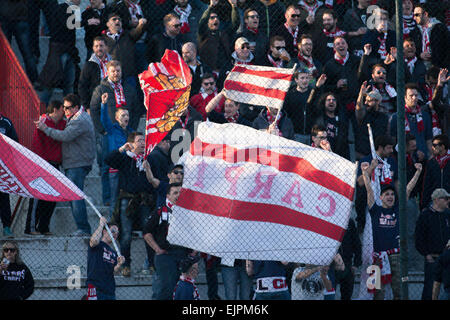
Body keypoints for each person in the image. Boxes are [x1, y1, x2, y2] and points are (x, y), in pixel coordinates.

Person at [361, 160, 422, 300]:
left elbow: (407, 190)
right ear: (381, 197)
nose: (390, 197)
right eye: (387, 194)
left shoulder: (397, 210)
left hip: (396, 256)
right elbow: (369, 191)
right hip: (377, 257)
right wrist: (365, 174)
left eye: (392, 195)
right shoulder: (375, 210)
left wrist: (418, 172)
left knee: (399, 291)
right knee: (377, 292)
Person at [35, 94, 95, 236]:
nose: (64, 111)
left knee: (75, 197)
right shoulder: (77, 117)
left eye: (67, 108)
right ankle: (83, 228)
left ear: (75, 107)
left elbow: (64, 136)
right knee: (74, 196)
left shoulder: (79, 120)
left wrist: (45, 128)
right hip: (76, 162)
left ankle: (83, 229)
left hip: (76, 163)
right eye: (63, 107)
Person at [104, 132, 154, 277]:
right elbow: (108, 159)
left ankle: (151, 263)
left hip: (144, 201)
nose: (143, 144)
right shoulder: (125, 159)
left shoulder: (147, 159)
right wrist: (122, 149)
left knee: (147, 232)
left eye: (144, 141)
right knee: (126, 234)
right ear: (131, 144)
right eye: (139, 141)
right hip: (127, 200)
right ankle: (126, 265)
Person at [143, 183, 191, 300]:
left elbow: (197, 233)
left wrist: (193, 253)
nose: (178, 195)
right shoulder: (160, 211)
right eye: (175, 193)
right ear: (168, 196)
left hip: (184, 256)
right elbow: (146, 232)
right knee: (167, 290)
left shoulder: (190, 213)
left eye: (181, 193)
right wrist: (157, 249)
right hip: (166, 256)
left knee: (183, 290)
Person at [25, 100, 66, 236]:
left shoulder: (62, 123)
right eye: (62, 109)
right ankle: (30, 228)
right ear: (55, 110)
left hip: (54, 164)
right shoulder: (42, 123)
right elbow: (37, 146)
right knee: (37, 197)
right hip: (42, 165)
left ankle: (43, 226)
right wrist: (41, 165)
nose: (64, 112)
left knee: (53, 197)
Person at [37, 0, 81, 105]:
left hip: (68, 51)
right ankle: (41, 109)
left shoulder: (70, 9)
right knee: (51, 82)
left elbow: (74, 26)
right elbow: (69, 25)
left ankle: (70, 108)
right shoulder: (63, 8)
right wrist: (85, 21)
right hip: (60, 51)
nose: (80, 1)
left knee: (69, 83)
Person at [100, 93, 133, 220]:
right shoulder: (112, 129)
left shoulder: (131, 131)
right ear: (117, 118)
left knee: (126, 197)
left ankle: (123, 223)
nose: (126, 117)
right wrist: (104, 104)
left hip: (127, 168)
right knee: (114, 198)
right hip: (115, 168)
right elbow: (104, 120)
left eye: (127, 115)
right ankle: (111, 223)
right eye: (123, 115)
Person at [415, 188, 450, 300]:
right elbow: (419, 238)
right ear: (436, 200)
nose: (447, 201)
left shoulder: (448, 214)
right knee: (430, 288)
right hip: (433, 258)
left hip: (447, 258)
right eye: (445, 198)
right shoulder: (425, 215)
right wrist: (427, 254)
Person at [390, 83, 433, 159]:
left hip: (424, 157)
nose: (414, 98)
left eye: (416, 95)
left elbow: (428, 139)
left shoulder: (425, 115)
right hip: (405, 159)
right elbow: (393, 141)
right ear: (405, 97)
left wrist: (431, 155)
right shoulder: (397, 117)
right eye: (411, 96)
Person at [0, 0, 38, 84]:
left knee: (5, 54)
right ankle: (33, 80)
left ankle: (4, 81)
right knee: (27, 53)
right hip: (20, 17)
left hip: (6, 17)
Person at [86, 216, 125, 300]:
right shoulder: (97, 245)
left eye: (117, 233)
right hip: (95, 289)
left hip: (110, 291)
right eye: (113, 231)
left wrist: (119, 264)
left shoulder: (114, 253)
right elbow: (93, 241)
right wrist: (101, 225)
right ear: (104, 231)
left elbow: (114, 271)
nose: (116, 234)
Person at [197, 0, 240, 75]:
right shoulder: (203, 33)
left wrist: (234, 6)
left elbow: (235, 24)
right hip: (209, 71)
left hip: (224, 70)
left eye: (217, 17)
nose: (216, 19)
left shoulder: (224, 33)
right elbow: (202, 22)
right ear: (208, 22)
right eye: (212, 18)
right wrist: (211, 7)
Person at [282, 71, 326, 145]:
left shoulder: (314, 92)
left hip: (311, 135)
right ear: (296, 80)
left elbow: (318, 110)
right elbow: (286, 113)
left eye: (307, 78)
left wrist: (317, 88)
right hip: (295, 134)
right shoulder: (290, 95)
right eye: (302, 78)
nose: (305, 80)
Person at [354, 82, 389, 160]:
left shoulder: (384, 117)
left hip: (378, 155)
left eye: (369, 101)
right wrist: (361, 95)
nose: (366, 103)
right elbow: (359, 108)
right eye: (366, 100)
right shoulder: (364, 115)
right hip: (362, 154)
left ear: (377, 101)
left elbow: (387, 134)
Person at [312, 92, 350, 159]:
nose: (331, 101)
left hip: (338, 154)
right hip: (321, 153)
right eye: (328, 100)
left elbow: (344, 140)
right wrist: (317, 88)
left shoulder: (341, 119)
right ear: (324, 103)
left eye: (334, 100)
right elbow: (309, 105)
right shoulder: (319, 117)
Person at [411, 3, 450, 69]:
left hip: (439, 67)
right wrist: (419, 54)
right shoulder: (415, 31)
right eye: (413, 15)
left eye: (417, 15)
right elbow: (411, 49)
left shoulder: (440, 28)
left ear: (425, 14)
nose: (414, 18)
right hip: (420, 67)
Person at [78, 36, 112, 112]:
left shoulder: (112, 63)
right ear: (93, 48)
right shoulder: (89, 65)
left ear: (106, 47)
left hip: (111, 100)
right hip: (95, 102)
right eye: (96, 46)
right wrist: (87, 107)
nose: (99, 48)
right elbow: (82, 87)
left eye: (101, 46)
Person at [0, 113, 18, 237]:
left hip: (2, 170)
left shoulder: (6, 122)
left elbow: (15, 143)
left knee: (4, 199)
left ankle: (6, 227)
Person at [420, 134, 450, 210]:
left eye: (435, 145)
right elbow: (426, 184)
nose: (432, 147)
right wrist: (423, 204)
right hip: (434, 202)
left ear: (443, 147)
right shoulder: (431, 163)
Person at [335, 217, 361, 300]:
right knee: (330, 293)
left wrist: (356, 263)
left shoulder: (349, 222)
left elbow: (357, 243)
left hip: (347, 262)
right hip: (331, 264)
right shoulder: (327, 221)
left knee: (347, 295)